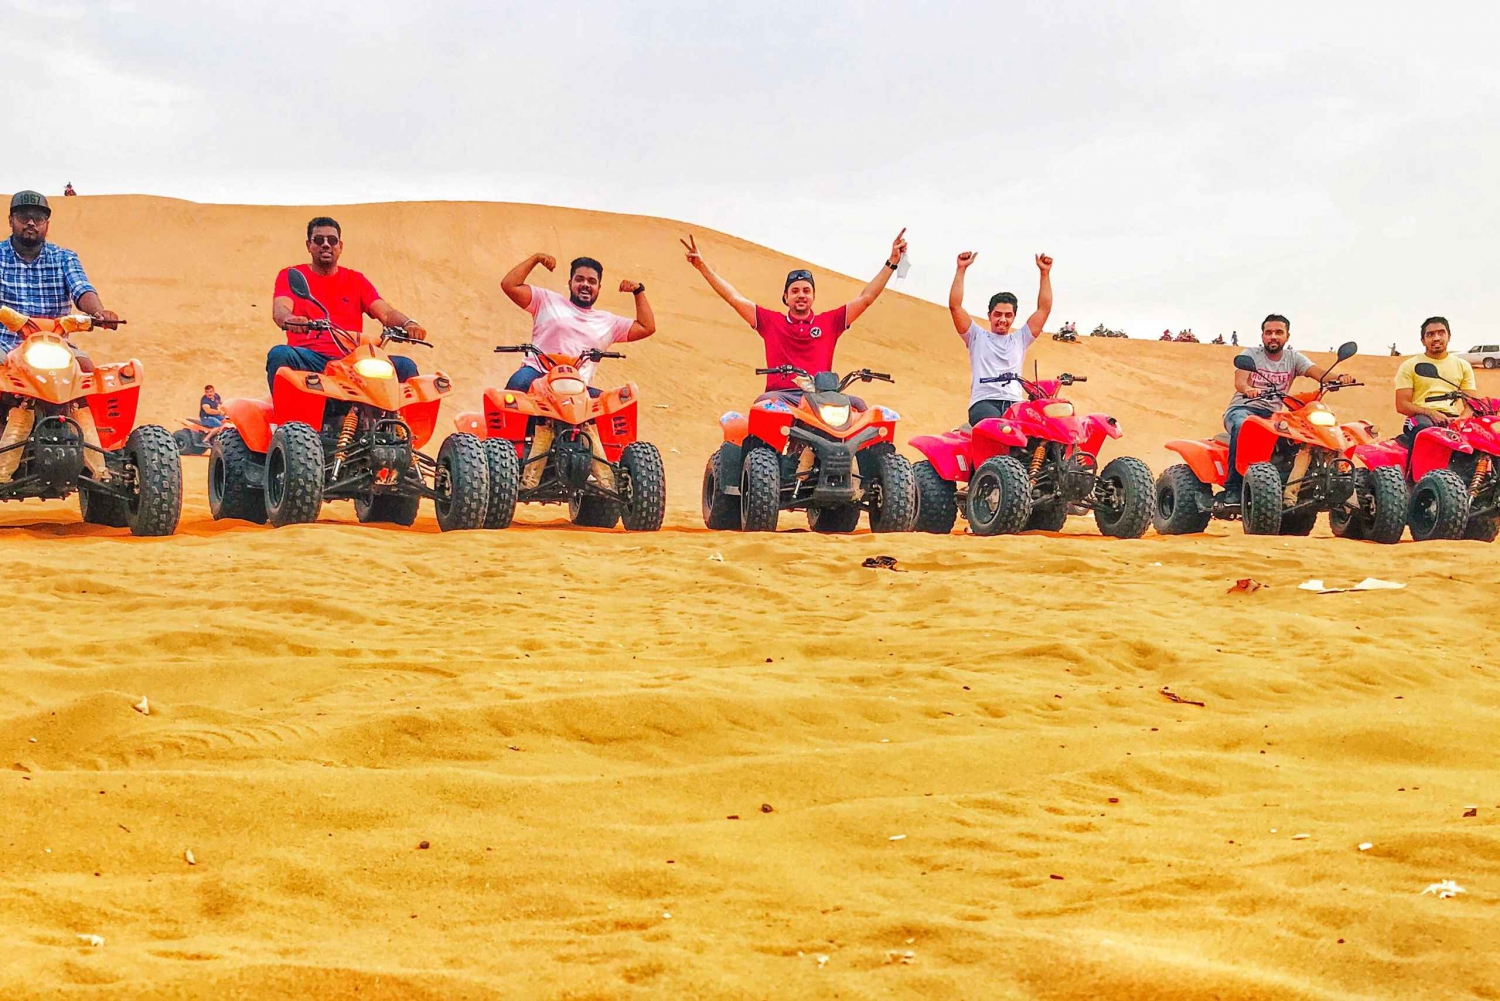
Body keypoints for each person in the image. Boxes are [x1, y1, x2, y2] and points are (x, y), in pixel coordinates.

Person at [682, 228, 908, 406]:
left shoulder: (829, 322)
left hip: (820, 399)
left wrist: (892, 262)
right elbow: (733, 298)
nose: (801, 295)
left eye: (806, 290)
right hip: (781, 397)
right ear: (786, 297)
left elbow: (866, 298)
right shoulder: (770, 322)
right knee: (763, 406)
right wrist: (702, 267)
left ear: (813, 296)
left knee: (859, 407)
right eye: (795, 291)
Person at [0, 190, 119, 481]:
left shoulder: (64, 258)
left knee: (88, 371)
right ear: (11, 220)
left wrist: (99, 313)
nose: (31, 223)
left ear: (47, 224)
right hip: (5, 342)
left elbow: (82, 289)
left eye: (38, 218)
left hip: (55, 344)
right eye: (24, 217)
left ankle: (102, 450)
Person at [269, 217, 426, 393]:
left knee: (405, 366)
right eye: (319, 240)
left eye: (332, 240)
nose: (326, 245)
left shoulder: (355, 280)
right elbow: (280, 308)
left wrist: (408, 324)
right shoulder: (293, 276)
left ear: (340, 246)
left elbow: (386, 313)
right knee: (280, 354)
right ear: (308, 246)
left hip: (353, 361)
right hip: (311, 357)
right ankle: (288, 419)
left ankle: (401, 421)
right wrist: (290, 319)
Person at [1220, 313, 1352, 500]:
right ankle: (1233, 487)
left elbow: (1319, 374)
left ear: (1287, 336)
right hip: (1244, 409)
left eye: (1278, 332)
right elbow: (1240, 381)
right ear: (1262, 336)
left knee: (1299, 438)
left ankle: (1294, 486)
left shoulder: (1293, 358)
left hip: (1273, 416)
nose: (1273, 336)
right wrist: (1249, 389)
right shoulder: (1250, 355)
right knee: (1243, 427)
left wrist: (1338, 378)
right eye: (1269, 332)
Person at [498, 253, 655, 396]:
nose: (585, 284)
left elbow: (646, 327)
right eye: (579, 279)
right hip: (537, 373)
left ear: (598, 288)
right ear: (570, 282)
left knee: (616, 405)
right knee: (517, 384)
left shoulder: (609, 322)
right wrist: (536, 259)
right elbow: (510, 285)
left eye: (592, 281)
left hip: (579, 386)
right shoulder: (545, 300)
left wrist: (638, 291)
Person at [948, 250, 1053, 425]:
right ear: (989, 315)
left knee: (1040, 432)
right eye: (997, 314)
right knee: (999, 431)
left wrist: (1045, 273)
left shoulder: (1020, 338)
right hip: (984, 402)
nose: (1002, 319)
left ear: (1013, 317)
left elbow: (1044, 309)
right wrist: (961, 269)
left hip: (1015, 403)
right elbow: (955, 306)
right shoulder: (976, 336)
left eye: (1008, 315)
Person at [1394, 316, 1476, 449]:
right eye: (1430, 334)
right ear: (1423, 340)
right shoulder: (1410, 365)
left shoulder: (1463, 366)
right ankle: (1418, 469)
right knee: (1426, 431)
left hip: (1453, 418)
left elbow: (1471, 405)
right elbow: (1402, 405)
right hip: (1420, 417)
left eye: (1441, 333)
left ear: (1449, 336)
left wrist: (1460, 421)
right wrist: (1430, 412)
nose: (1436, 338)